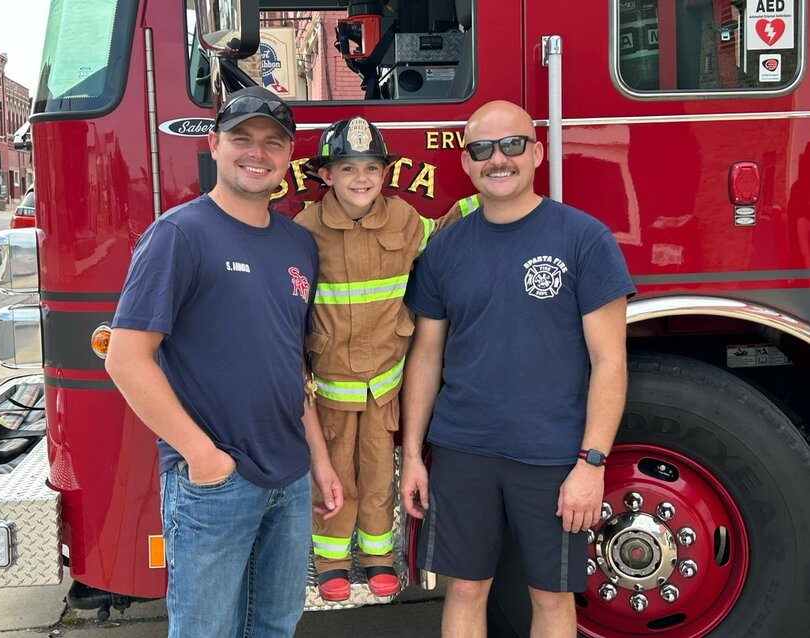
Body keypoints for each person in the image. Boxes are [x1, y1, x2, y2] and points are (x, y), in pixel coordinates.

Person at [105, 86, 343, 638]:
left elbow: (291, 365)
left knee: (275, 626)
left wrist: (319, 461)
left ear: (289, 156)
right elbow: (126, 358)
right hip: (214, 482)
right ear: (214, 145)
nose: (256, 153)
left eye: (272, 143)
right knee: (206, 631)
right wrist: (202, 457)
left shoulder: (297, 244)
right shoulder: (179, 235)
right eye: (242, 139)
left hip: (289, 476)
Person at [399, 100, 635, 638]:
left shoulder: (583, 239)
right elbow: (427, 357)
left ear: (537, 152)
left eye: (511, 145)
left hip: (553, 455)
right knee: (463, 589)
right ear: (466, 162)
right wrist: (414, 455)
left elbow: (609, 362)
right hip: (463, 449)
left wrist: (591, 464)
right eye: (481, 149)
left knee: (552, 598)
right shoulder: (444, 247)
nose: (497, 159)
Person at [294, 116, 460, 602]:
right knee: (333, 475)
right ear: (326, 175)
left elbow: (441, 235)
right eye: (347, 168)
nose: (361, 178)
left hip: (385, 382)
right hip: (330, 385)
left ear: (385, 174)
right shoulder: (305, 231)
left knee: (378, 472)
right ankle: (329, 562)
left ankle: (378, 556)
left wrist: (480, 203)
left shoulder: (405, 219)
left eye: (370, 167)